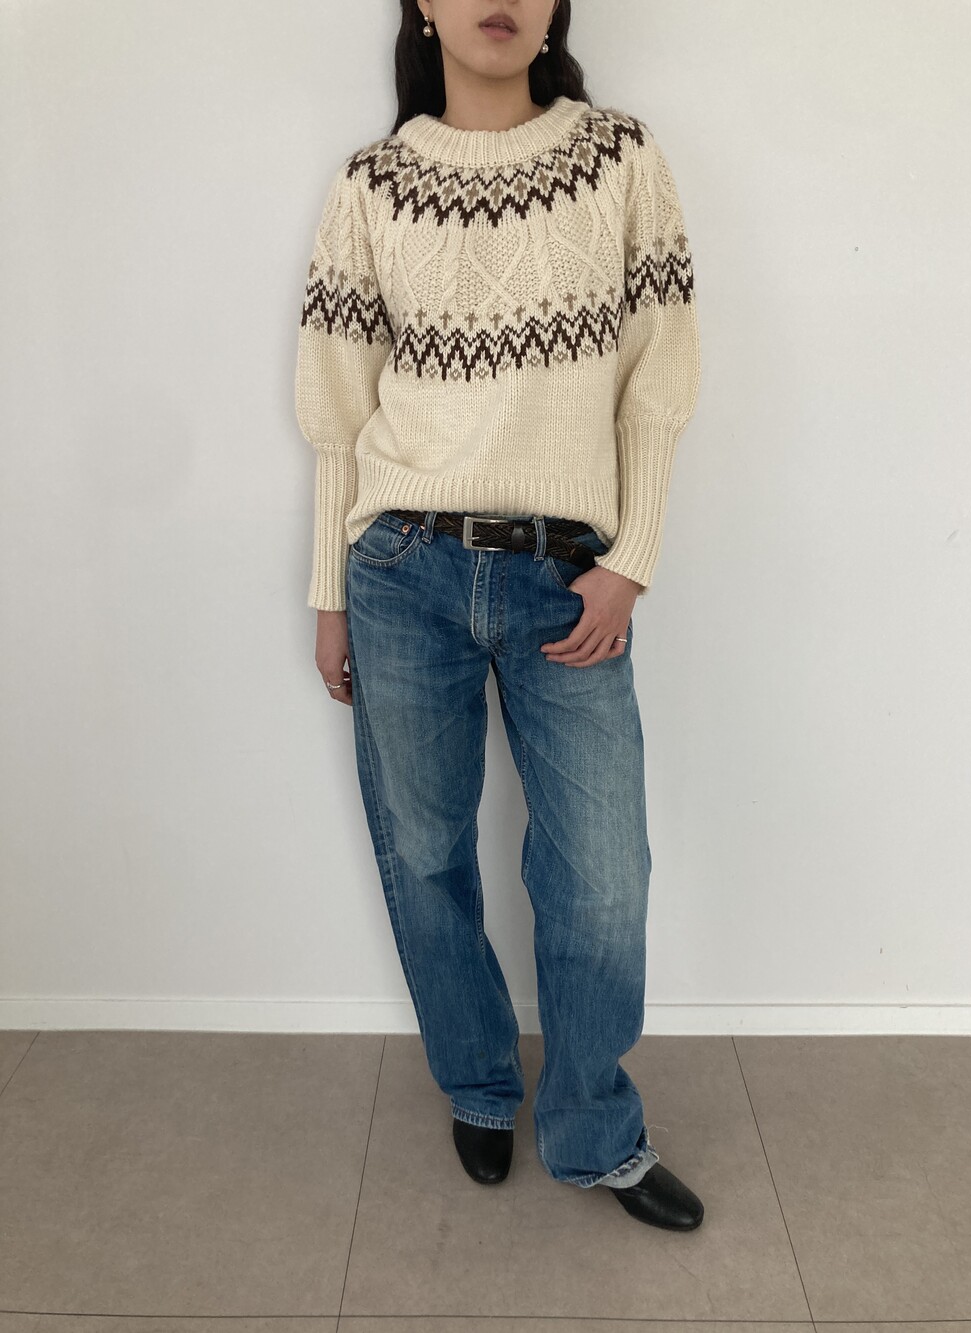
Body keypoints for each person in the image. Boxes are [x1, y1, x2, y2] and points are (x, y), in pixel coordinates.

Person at [294, 0, 704, 1232]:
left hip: (566, 577)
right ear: (422, 6)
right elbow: (336, 411)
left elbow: (658, 374)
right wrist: (330, 594)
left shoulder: (619, 157)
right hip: (400, 569)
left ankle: (592, 1129)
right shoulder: (371, 185)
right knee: (424, 854)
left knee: (602, 877)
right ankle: (477, 1083)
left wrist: (631, 561)